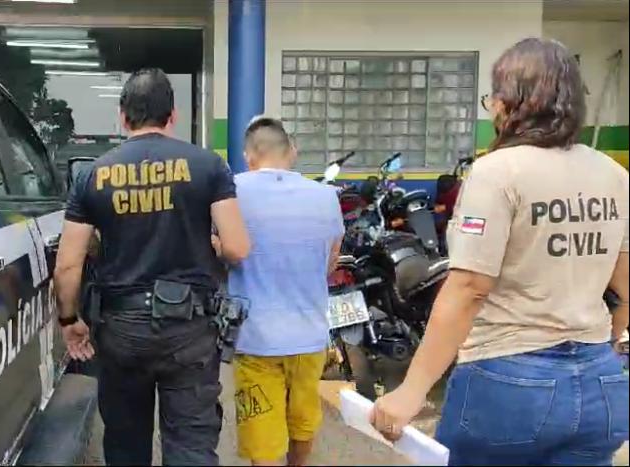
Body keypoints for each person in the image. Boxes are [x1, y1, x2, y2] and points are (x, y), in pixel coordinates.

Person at [370, 38, 629, 466]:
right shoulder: (612, 174)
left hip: (510, 384)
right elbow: (625, 285)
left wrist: (411, 391)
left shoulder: (498, 171)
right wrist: (608, 344)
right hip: (599, 382)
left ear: (512, 102)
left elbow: (470, 287)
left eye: (493, 98)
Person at [53, 68, 250, 466]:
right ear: (173, 116)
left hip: (121, 330)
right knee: (191, 446)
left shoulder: (92, 175)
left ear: (122, 117)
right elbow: (237, 248)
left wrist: (69, 320)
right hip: (190, 329)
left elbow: (67, 265)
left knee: (125, 444)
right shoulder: (208, 166)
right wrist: (209, 243)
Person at [228, 117, 344, 466]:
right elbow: (331, 262)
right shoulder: (326, 196)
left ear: (248, 156)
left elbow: (222, 250)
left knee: (263, 439)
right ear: (291, 151)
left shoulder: (230, 192)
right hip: (310, 337)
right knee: (303, 424)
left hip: (255, 339)